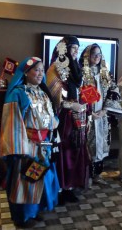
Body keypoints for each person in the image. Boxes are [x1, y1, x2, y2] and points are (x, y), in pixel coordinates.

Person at [0, 57, 60, 228]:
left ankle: (33, 212)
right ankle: (22, 217)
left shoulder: (42, 92)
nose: (41, 73)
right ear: (26, 72)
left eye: (42, 70)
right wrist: (20, 148)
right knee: (25, 181)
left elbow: (51, 117)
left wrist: (53, 125)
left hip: (43, 145)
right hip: (27, 146)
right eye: (36, 70)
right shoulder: (18, 93)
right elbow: (12, 122)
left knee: (39, 178)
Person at [46, 35, 88, 204]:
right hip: (61, 119)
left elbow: (80, 90)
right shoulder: (54, 69)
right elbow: (53, 97)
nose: (76, 52)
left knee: (75, 149)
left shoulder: (76, 68)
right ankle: (60, 188)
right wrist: (70, 106)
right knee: (62, 151)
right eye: (73, 49)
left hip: (77, 117)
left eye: (78, 49)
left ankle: (70, 187)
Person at [79, 43, 121, 185]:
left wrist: (104, 110)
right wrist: (90, 112)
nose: (97, 57)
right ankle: (85, 176)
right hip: (87, 116)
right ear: (87, 56)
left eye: (99, 54)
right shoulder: (81, 73)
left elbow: (114, 91)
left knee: (101, 144)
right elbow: (77, 94)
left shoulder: (105, 73)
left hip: (102, 116)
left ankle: (97, 174)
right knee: (87, 145)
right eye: (94, 54)